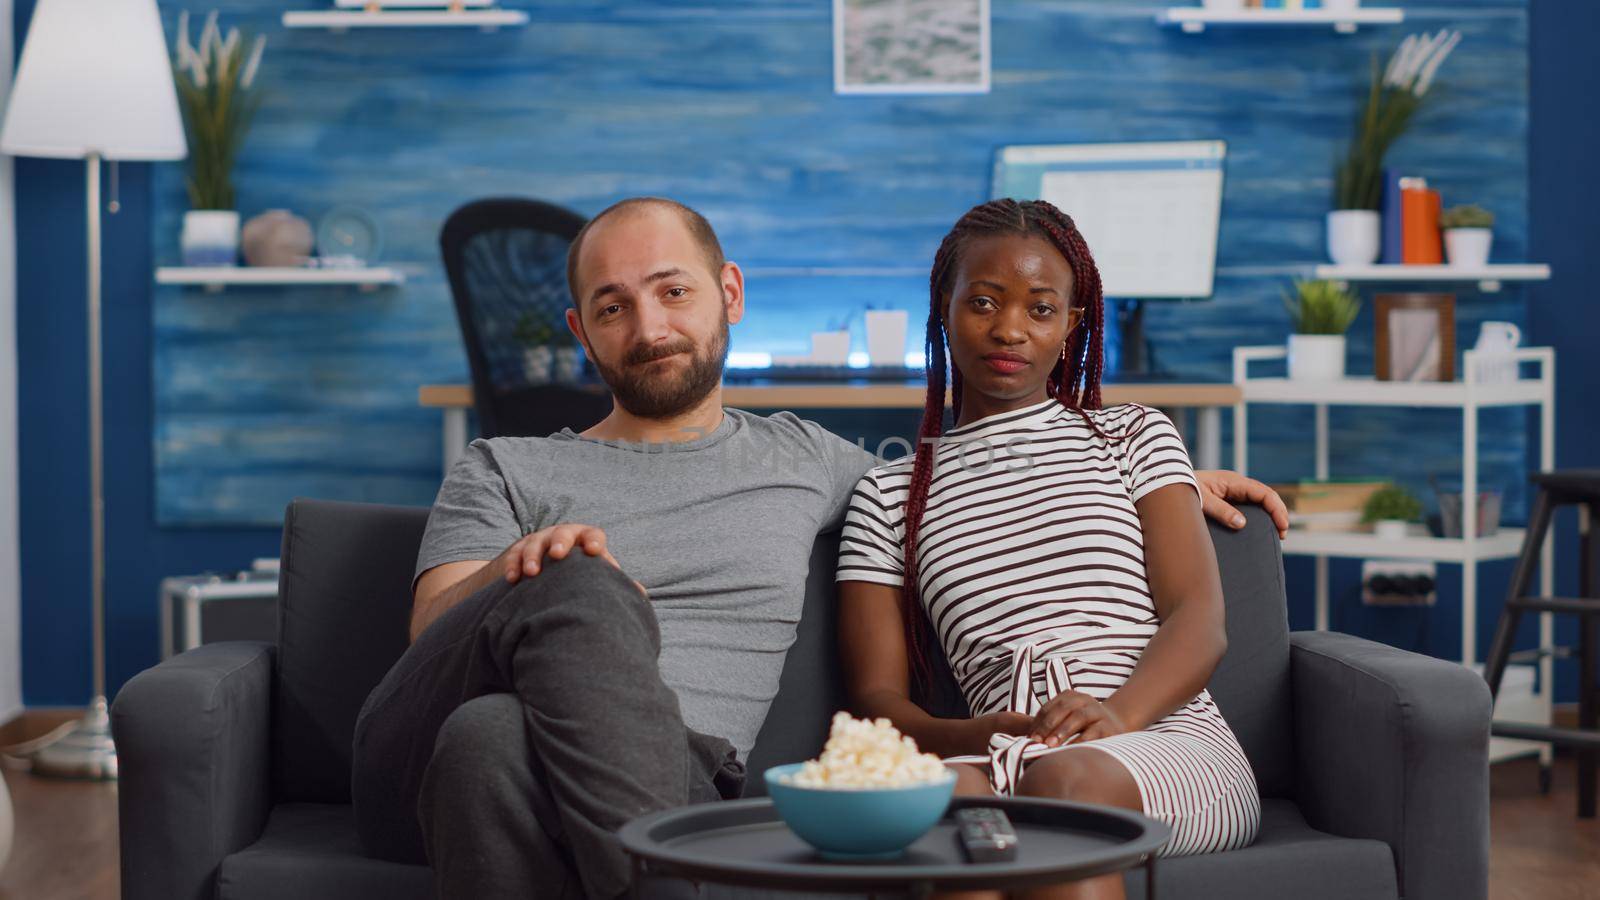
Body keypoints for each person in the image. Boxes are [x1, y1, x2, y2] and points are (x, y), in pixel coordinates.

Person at [350, 196, 1289, 900]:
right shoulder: (501, 464)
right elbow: (436, 633)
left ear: (728, 296)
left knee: (489, 741)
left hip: (643, 769)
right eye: (612, 306)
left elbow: (987, 481)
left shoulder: (813, 463)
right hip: (421, 744)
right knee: (577, 591)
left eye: (672, 292)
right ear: (581, 333)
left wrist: (1168, 479)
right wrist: (540, 573)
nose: (649, 327)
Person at [837, 198, 1262, 900]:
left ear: (1070, 327)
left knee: (1064, 785)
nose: (1009, 329)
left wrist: (1118, 715)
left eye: (1039, 309)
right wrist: (974, 730)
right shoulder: (888, 496)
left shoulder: (1133, 436)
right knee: (933, 804)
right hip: (1002, 753)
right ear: (945, 306)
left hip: (1162, 740)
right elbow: (878, 701)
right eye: (983, 302)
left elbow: (1198, 617)